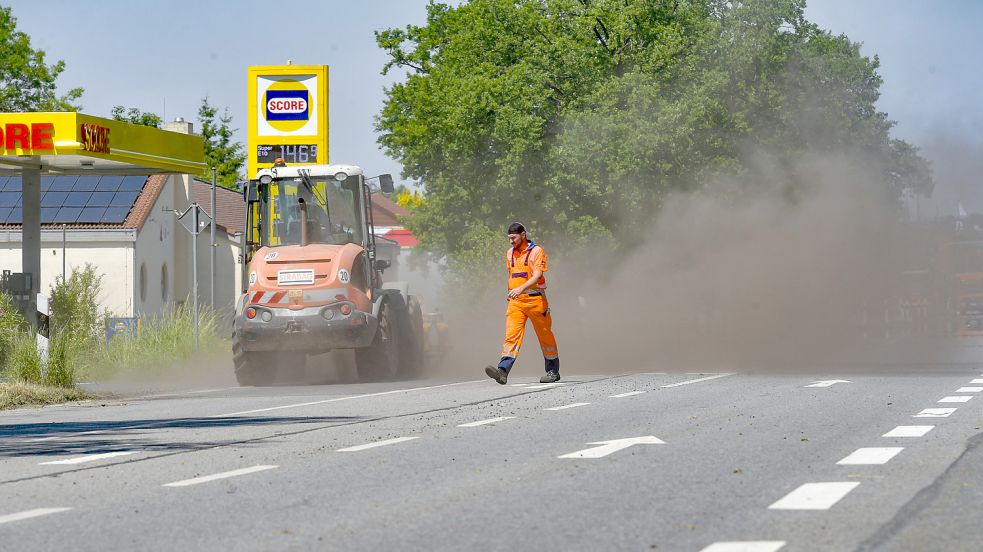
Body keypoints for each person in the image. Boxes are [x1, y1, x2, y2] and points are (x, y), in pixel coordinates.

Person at [485, 222, 560, 384]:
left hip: (536, 300)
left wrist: (520, 289)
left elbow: (536, 276)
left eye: (514, 238)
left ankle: (553, 371)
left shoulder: (536, 251)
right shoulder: (509, 253)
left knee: (545, 336)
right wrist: (512, 291)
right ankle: (502, 371)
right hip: (516, 302)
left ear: (523, 235)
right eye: (509, 238)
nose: (511, 241)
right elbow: (511, 275)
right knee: (511, 337)